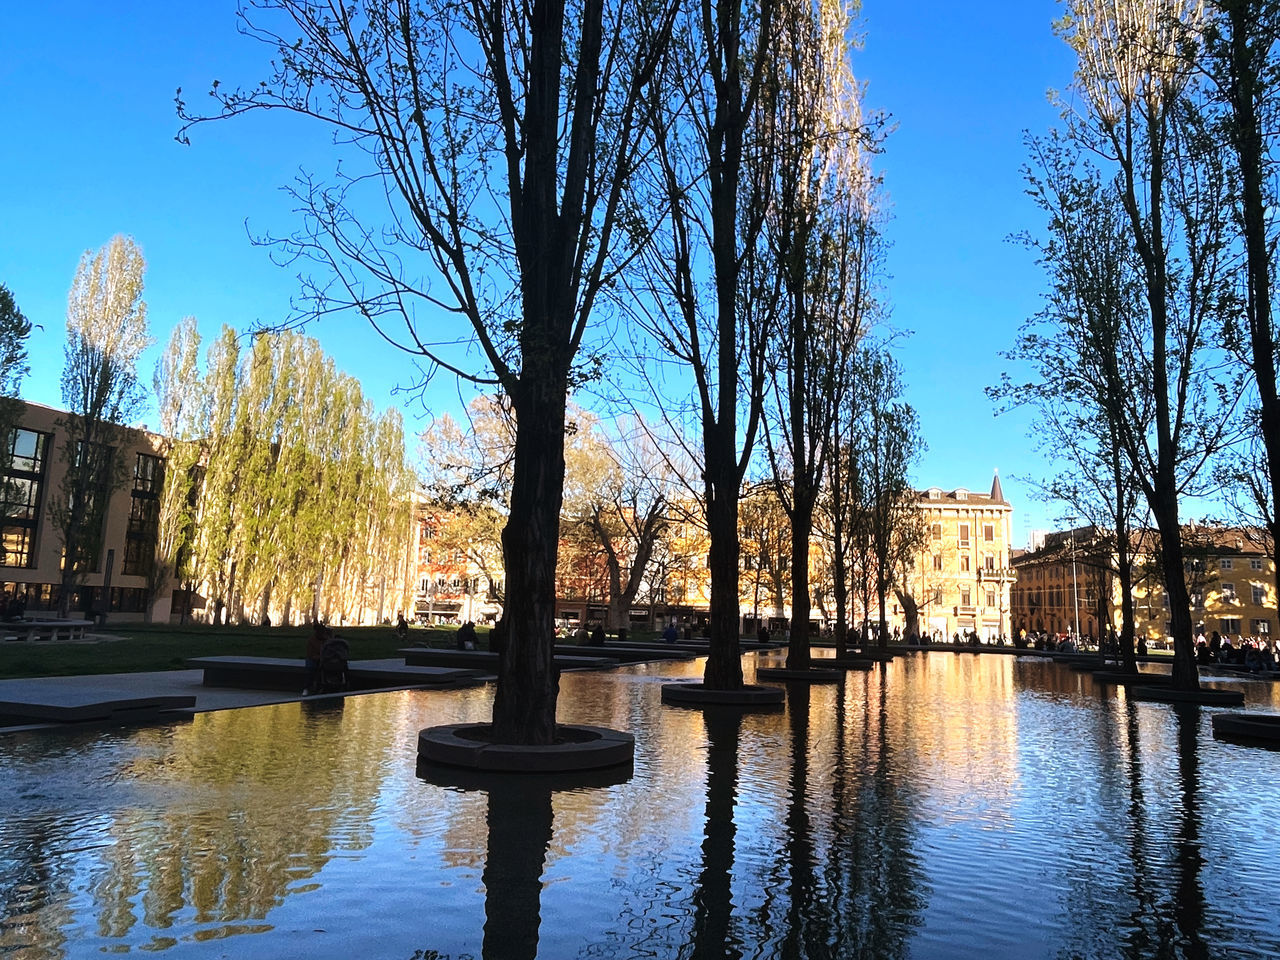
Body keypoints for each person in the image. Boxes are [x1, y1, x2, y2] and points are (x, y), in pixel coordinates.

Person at [304, 622, 329, 695]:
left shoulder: (327, 640)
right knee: (310, 669)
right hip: (313, 658)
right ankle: (307, 687)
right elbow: (310, 654)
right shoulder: (311, 640)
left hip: (325, 659)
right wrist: (319, 657)